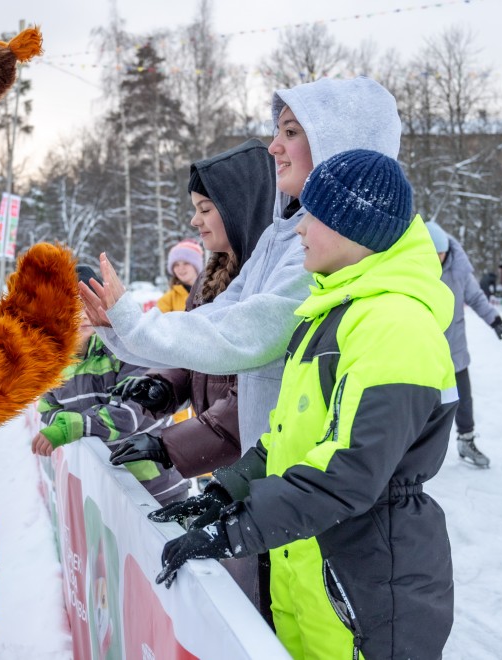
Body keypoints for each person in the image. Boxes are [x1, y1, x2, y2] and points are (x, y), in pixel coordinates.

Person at [154, 150, 458, 659]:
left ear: (354, 227)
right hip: (310, 567)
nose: (299, 229)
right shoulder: (330, 313)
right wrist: (226, 493)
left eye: (313, 216)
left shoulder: (394, 325)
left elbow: (349, 473)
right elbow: (288, 437)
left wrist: (234, 531)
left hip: (366, 585)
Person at [80, 76, 401, 455]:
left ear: (336, 143)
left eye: (291, 132)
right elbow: (219, 316)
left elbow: (249, 332)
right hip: (272, 466)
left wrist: (135, 327)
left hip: (309, 472)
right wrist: (123, 332)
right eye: (277, 131)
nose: (274, 146)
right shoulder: (279, 237)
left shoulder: (330, 248)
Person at [107, 138, 276, 617]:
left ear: (239, 208)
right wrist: (165, 384)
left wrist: (169, 446)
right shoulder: (213, 274)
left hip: (263, 475)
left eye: (205, 209)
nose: (194, 221)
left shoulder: (267, 287)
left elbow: (249, 405)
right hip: (228, 473)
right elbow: (196, 346)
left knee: (259, 608)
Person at [32, 265, 190, 506]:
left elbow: (130, 413)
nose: (81, 314)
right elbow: (46, 407)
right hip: (106, 490)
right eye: (70, 307)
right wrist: (67, 423)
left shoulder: (125, 348)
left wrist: (73, 425)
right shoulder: (53, 363)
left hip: (157, 486)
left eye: (87, 304)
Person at [426, 222, 502, 468]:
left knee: (463, 399)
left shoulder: (459, 270)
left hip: (455, 349)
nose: (438, 258)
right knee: (423, 403)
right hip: (425, 350)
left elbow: (476, 298)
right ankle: (412, 450)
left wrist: (496, 322)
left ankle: (466, 441)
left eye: (441, 253)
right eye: (433, 253)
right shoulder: (415, 270)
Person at [155, 239, 204, 312]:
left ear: (196, 266)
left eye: (186, 263)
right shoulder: (168, 299)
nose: (181, 268)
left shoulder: (211, 292)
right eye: (176, 264)